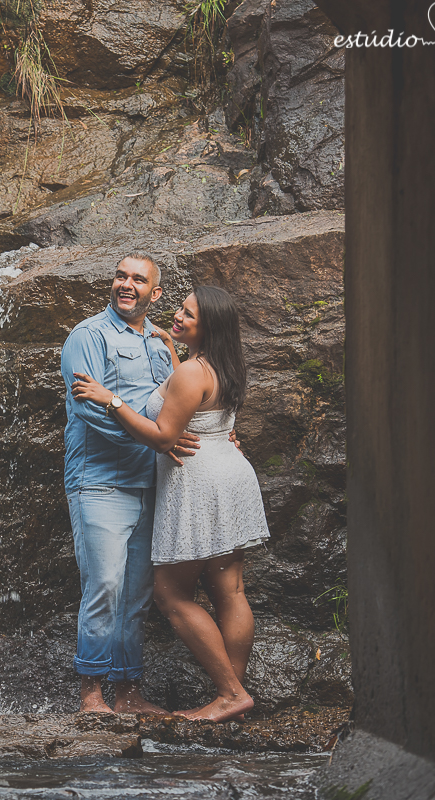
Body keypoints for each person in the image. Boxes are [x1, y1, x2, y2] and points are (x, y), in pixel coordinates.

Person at [71, 285, 270, 723]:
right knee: (230, 590)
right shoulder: (224, 364)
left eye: (188, 316)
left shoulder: (190, 374)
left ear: (208, 327)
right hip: (231, 475)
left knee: (170, 594)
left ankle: (229, 693)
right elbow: (193, 397)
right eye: (180, 308)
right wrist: (173, 350)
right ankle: (232, 697)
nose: (176, 318)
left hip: (198, 482)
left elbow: (163, 437)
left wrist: (113, 399)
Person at [60, 252, 201, 714]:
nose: (127, 284)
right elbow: (88, 410)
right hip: (100, 482)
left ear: (154, 293)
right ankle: (92, 695)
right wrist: (159, 440)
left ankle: (128, 693)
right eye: (121, 276)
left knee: (137, 595)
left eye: (138, 280)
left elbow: (179, 406)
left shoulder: (161, 347)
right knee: (103, 585)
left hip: (150, 485)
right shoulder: (88, 335)